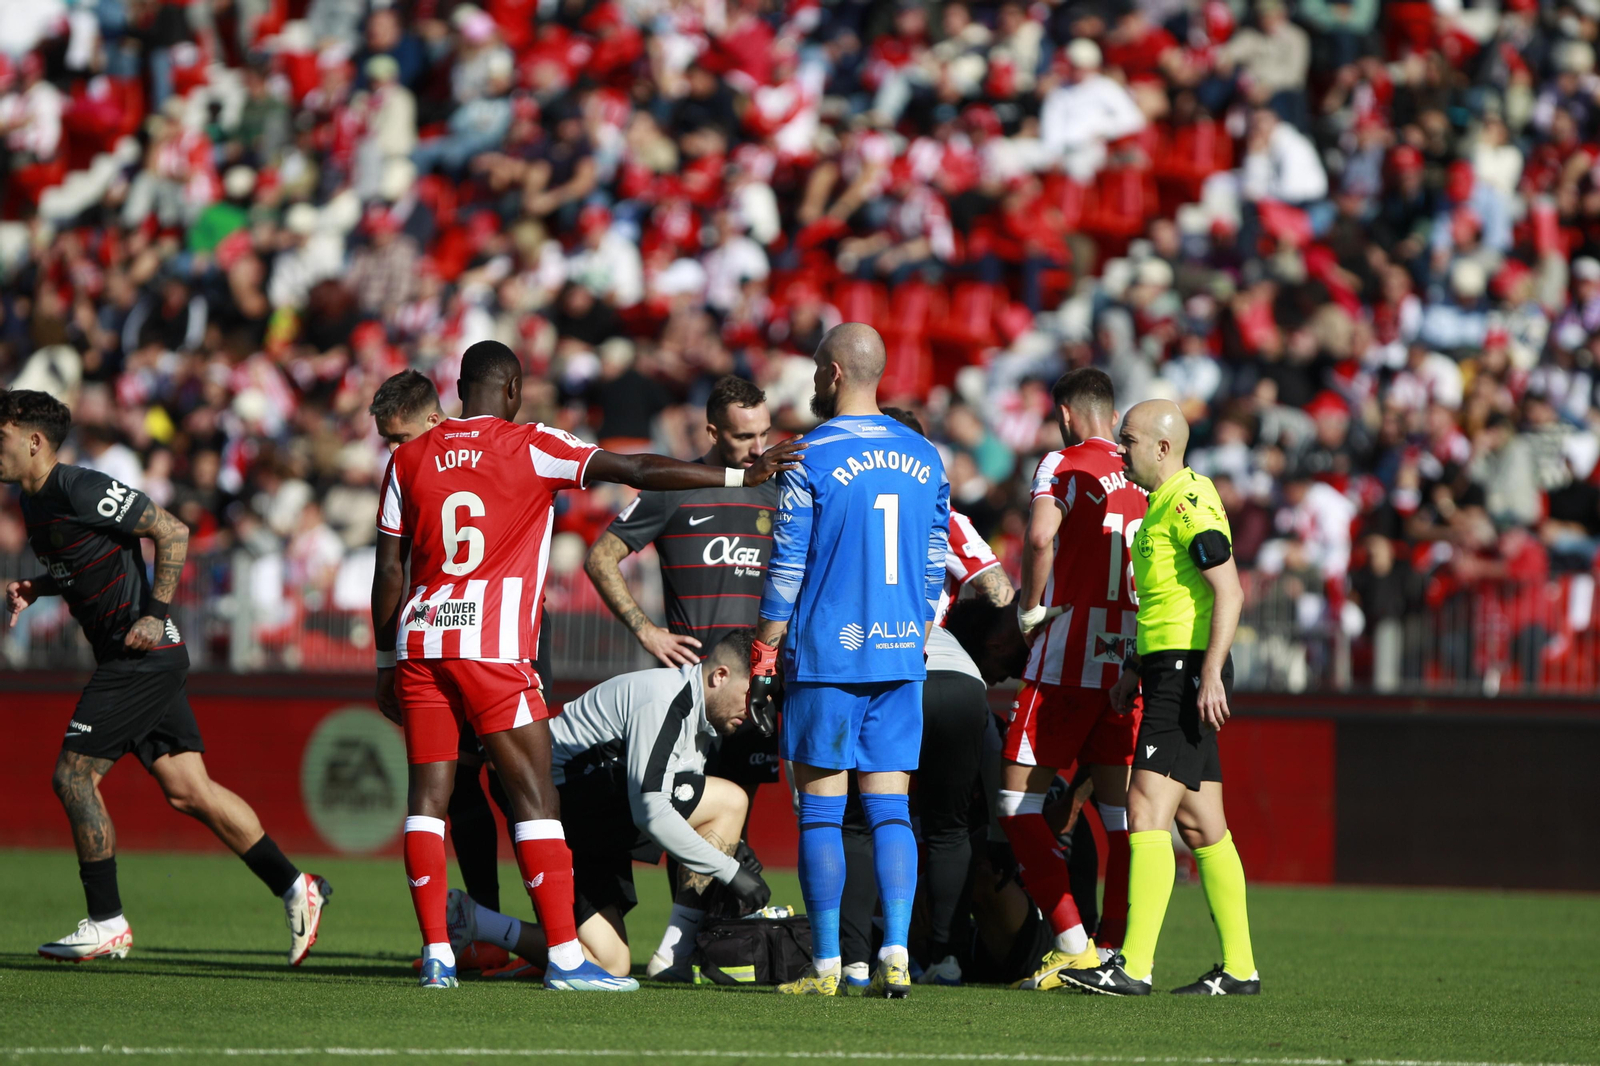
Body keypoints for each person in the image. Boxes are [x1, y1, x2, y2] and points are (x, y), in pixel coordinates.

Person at [371, 340, 800, 990]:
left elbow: (389, 571)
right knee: (537, 799)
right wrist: (740, 477)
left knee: (427, 805)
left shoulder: (408, 456)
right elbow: (636, 467)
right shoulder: (531, 443)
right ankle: (566, 962)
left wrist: (385, 661)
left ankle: (438, 954)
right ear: (513, 391)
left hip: (421, 645)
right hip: (494, 649)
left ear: (457, 390)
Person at [0, 390, 330, 965]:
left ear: (32, 441)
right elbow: (85, 562)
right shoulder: (33, 501)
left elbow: (172, 530)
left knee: (73, 777)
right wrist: (40, 586)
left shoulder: (79, 486)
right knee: (189, 790)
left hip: (142, 654)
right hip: (134, 656)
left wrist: (155, 615)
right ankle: (295, 886)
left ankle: (107, 922)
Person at [755, 323, 950, 998]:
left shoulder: (807, 454)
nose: (814, 379)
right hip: (900, 652)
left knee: (821, 812)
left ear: (834, 373)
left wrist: (764, 649)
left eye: (817, 368)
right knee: (891, 808)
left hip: (827, 654)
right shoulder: (926, 454)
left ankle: (827, 967)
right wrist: (915, 629)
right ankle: (896, 952)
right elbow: (934, 563)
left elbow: (787, 564)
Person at [1058, 399, 1259, 996]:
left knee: (1145, 810)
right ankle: (1240, 969)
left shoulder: (1189, 501)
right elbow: (1168, 602)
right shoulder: (1160, 506)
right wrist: (1133, 669)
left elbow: (1230, 590)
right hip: (1168, 668)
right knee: (1202, 825)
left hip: (1187, 672)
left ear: (1163, 447)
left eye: (1130, 441)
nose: (1122, 451)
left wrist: (1211, 672)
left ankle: (1134, 965)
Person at [446, 628, 773, 980]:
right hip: (556, 814)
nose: (753, 710)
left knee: (609, 964)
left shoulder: (701, 716)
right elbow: (651, 811)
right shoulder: (664, 698)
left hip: (585, 820)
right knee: (731, 800)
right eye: (749, 695)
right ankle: (674, 958)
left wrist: (731, 848)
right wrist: (729, 870)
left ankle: (476, 920)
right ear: (720, 675)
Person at [369, 369, 541, 976]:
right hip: (470, 642)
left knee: (503, 790)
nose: (396, 449)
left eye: (400, 436)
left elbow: (389, 571)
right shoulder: (428, 463)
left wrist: (386, 661)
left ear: (436, 419)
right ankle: (490, 932)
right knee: (470, 789)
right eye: (389, 441)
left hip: (480, 638)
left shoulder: (450, 458)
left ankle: (528, 935)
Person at [834, 406, 1012, 989]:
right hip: (954, 676)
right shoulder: (946, 515)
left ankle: (857, 956)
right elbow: (998, 590)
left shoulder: (845, 503)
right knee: (948, 827)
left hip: (876, 669)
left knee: (862, 818)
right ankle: (945, 957)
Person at [1004, 368, 1147, 990]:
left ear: (1065, 414)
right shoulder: (1146, 470)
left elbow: (1040, 536)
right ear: (1112, 415)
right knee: (1122, 818)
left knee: (1016, 804)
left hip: (1067, 657)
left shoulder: (1061, 462)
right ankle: (1113, 947)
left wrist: (1029, 609)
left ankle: (1072, 943)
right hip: (1130, 660)